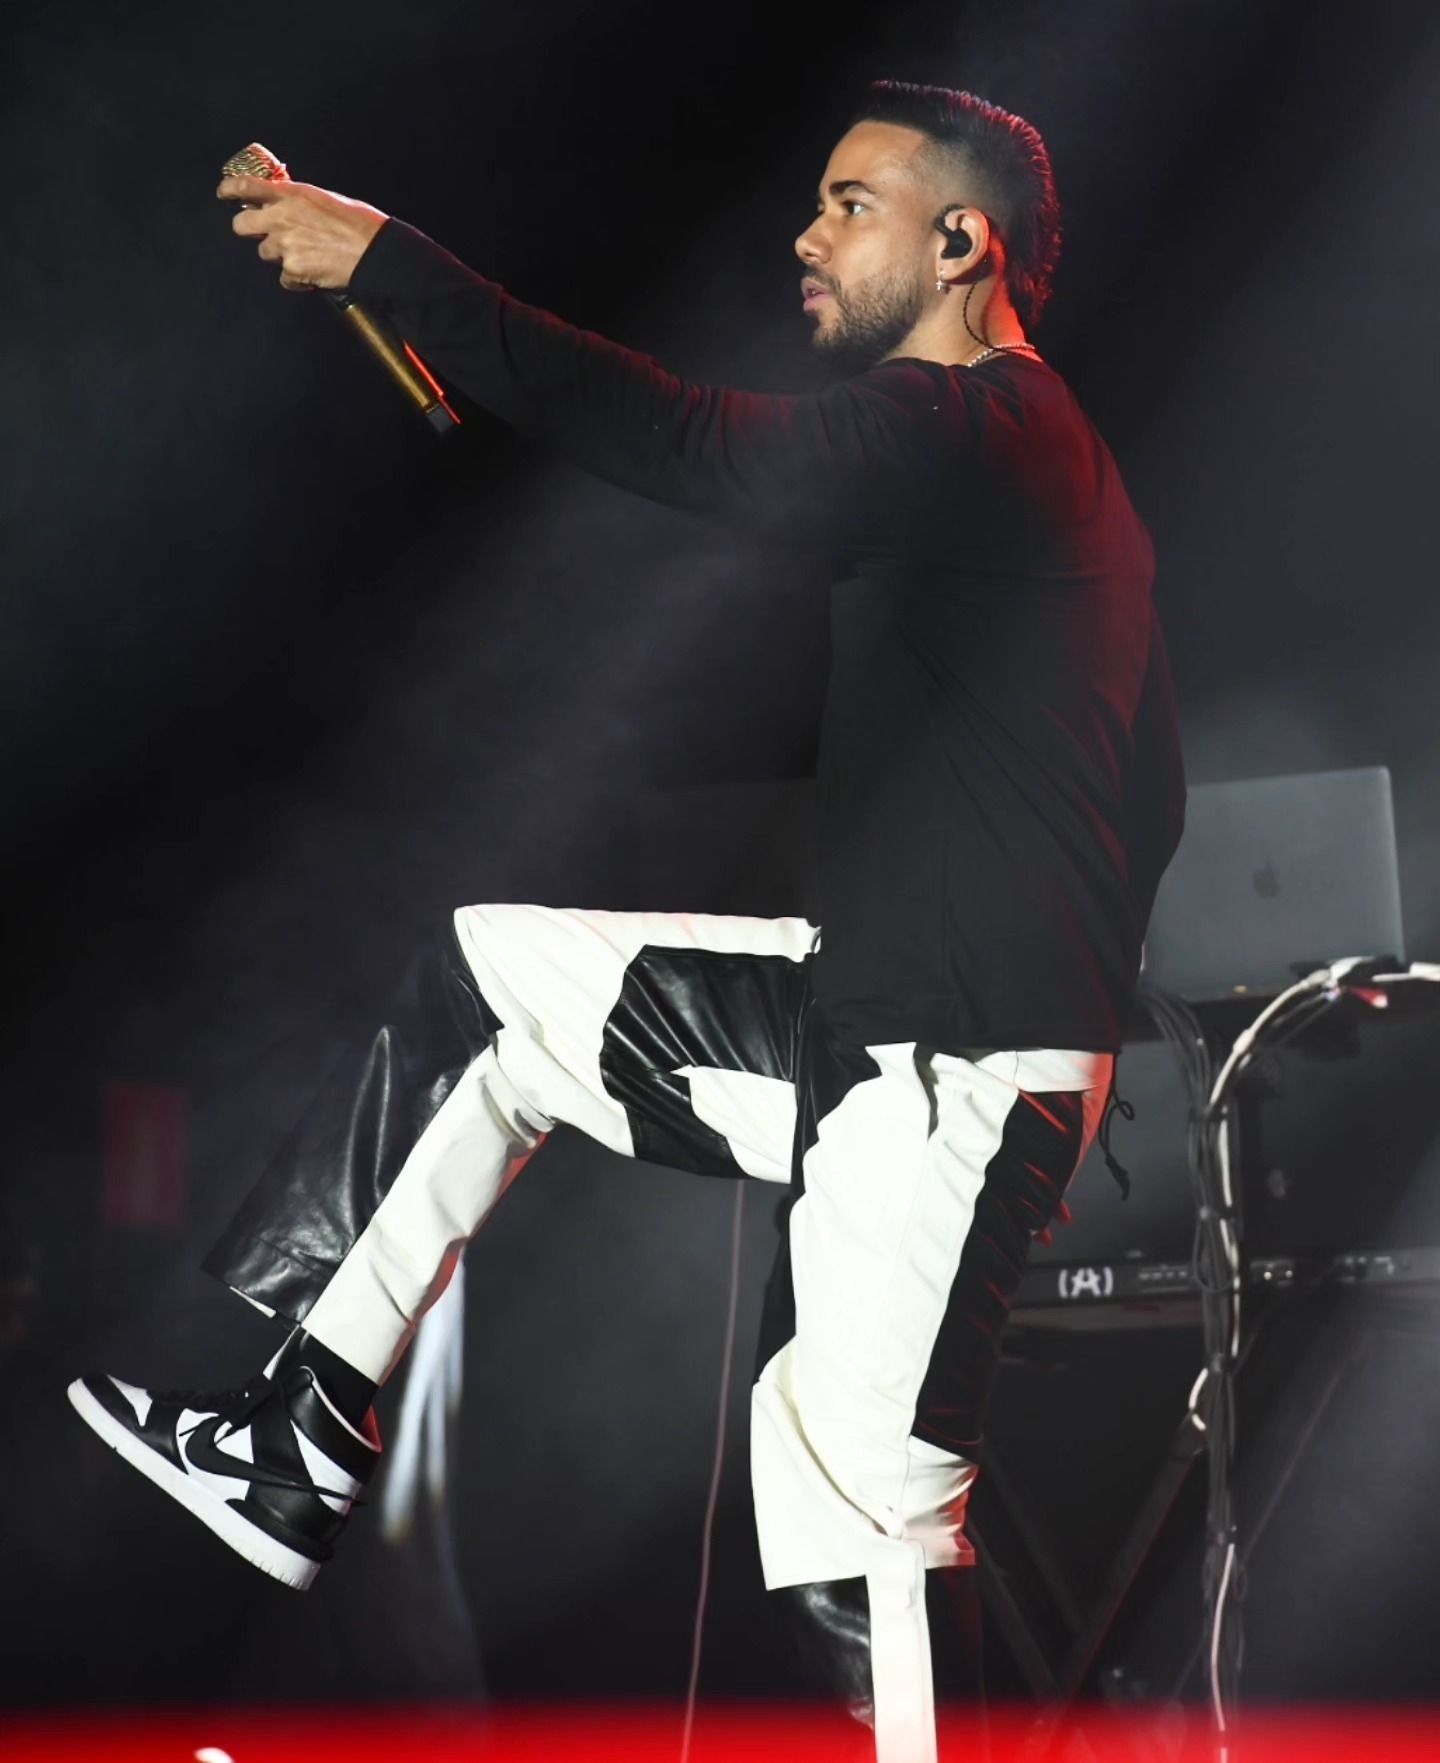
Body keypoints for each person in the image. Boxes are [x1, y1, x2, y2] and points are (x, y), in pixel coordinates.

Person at [69, 80, 1185, 1762]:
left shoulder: (977, 426)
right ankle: (298, 1432)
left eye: (850, 205)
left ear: (962, 242)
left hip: (949, 1060)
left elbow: (695, 448)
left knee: (860, 1522)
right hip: (879, 1022)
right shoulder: (1024, 472)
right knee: (493, 986)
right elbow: (1151, 784)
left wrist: (398, 269)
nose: (807, 236)